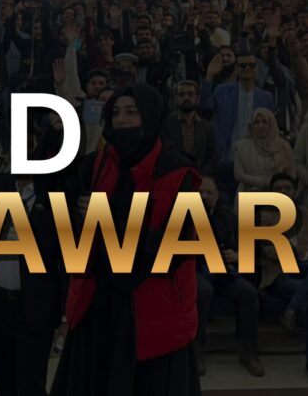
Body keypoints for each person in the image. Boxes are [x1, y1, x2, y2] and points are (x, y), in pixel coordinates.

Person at [52, 84, 201, 396]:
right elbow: (54, 193)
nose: (121, 120)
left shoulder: (181, 173)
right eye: (116, 112)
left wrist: (107, 221)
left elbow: (169, 250)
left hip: (153, 309)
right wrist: (55, 135)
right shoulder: (99, 163)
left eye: (132, 112)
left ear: (151, 116)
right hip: (99, 304)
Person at [0, 115, 70, 396]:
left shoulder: (53, 196)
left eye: (30, 147)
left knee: (30, 386)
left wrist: (64, 314)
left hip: (34, 307)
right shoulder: (2, 185)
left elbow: (66, 256)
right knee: (4, 383)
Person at [260, 173, 308, 384]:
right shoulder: (265, 217)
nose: (283, 192)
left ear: (295, 192)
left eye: (287, 188)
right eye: (278, 189)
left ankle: (293, 310)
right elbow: (269, 251)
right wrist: (302, 250)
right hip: (279, 274)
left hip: (306, 271)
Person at [194, 176, 263, 378]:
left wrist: (238, 255)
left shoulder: (227, 216)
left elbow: (244, 246)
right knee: (203, 291)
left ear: (217, 196)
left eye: (209, 192)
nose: (204, 196)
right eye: (200, 192)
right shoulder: (185, 216)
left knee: (248, 293)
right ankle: (196, 350)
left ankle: (248, 351)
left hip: (223, 270)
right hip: (197, 269)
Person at [201, 52, 275, 162]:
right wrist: (209, 76)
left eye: (251, 65)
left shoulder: (266, 98)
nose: (247, 68)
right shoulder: (222, 91)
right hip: (226, 157)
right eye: (243, 65)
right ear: (236, 68)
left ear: (256, 69)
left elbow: (270, 129)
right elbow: (205, 106)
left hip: (255, 158)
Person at [160, 81, 218, 176]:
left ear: (197, 98)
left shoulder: (207, 128)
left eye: (190, 94)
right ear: (176, 99)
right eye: (181, 95)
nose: (186, 98)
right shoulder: (166, 124)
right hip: (174, 176)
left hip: (200, 177)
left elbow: (212, 158)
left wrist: (201, 175)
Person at [233, 108, 294, 192]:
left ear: (272, 124)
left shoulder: (283, 146)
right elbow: (238, 175)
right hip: (249, 193)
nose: (260, 125)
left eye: (264, 122)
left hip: (278, 192)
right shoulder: (242, 147)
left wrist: (275, 184)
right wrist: (263, 182)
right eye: (256, 122)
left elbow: (291, 174)